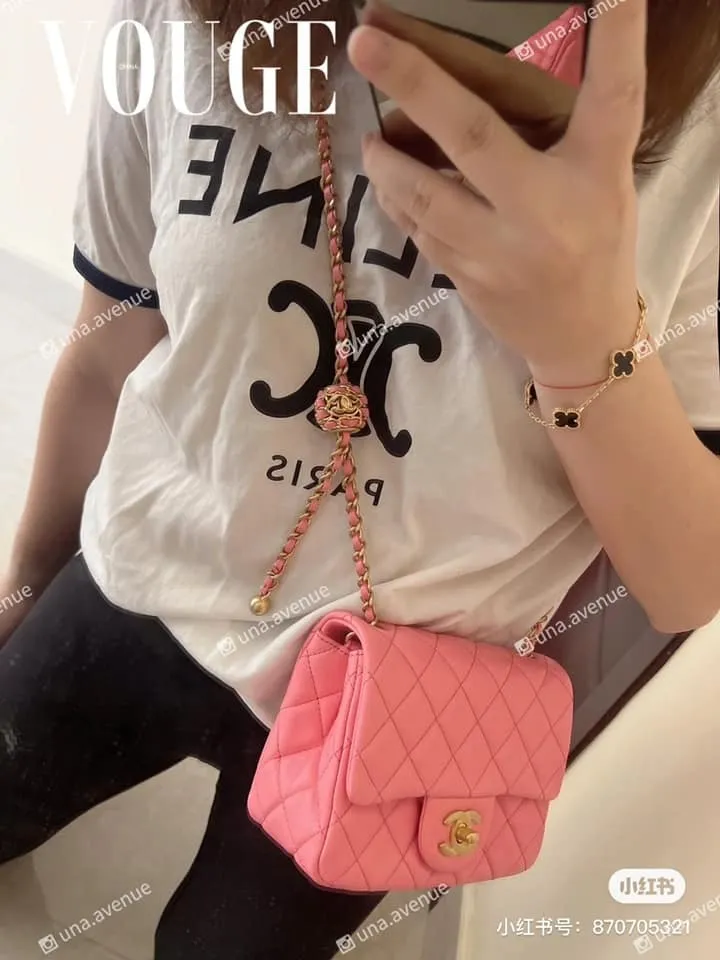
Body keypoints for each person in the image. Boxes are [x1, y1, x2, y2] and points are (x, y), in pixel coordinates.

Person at [1, 0, 719, 957]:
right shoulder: (182, 22)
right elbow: (106, 349)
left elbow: (685, 582)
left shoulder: (703, 132)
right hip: (142, 577)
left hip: (397, 704)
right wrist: (26, 583)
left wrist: (589, 348)